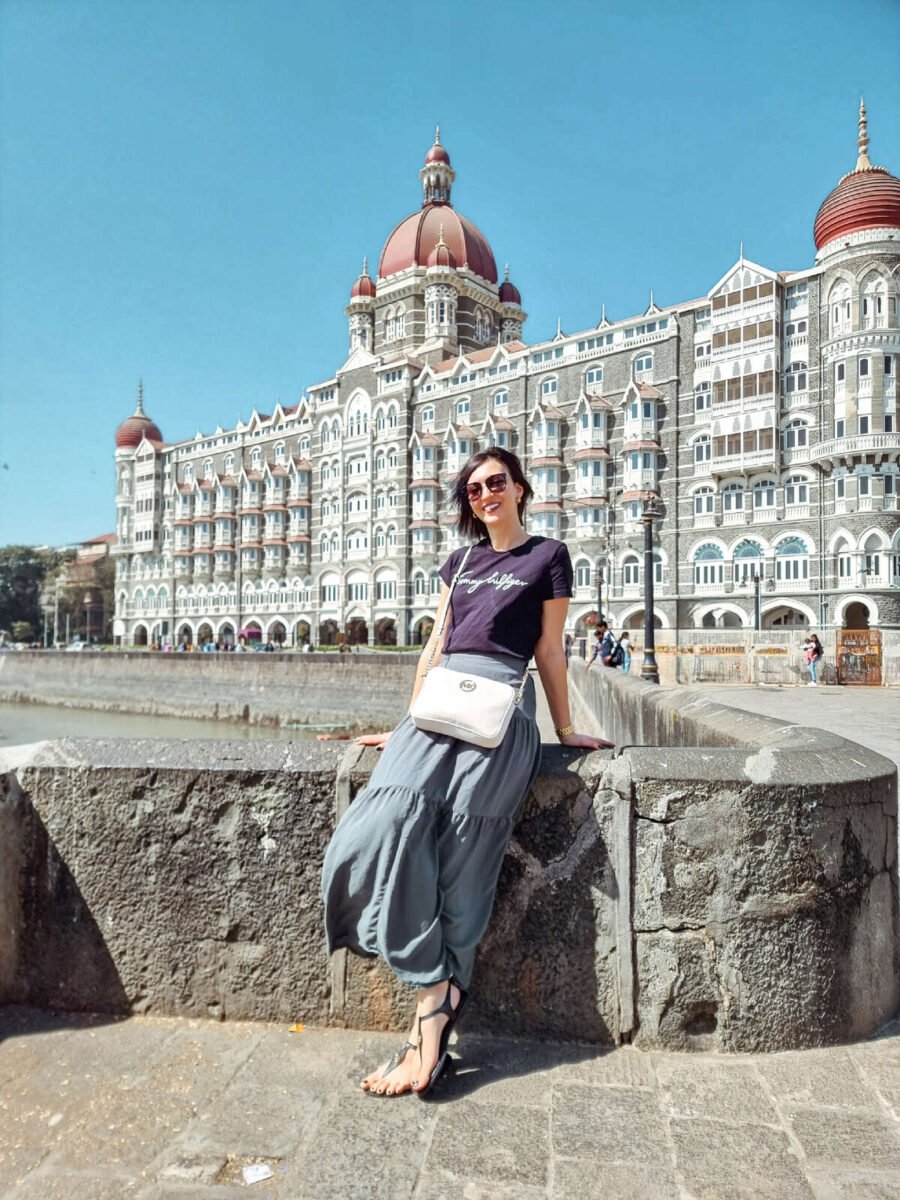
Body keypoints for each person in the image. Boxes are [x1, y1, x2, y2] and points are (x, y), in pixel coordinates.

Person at [321, 449, 611, 1099]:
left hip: (501, 716)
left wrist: (565, 732)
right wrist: (405, 722)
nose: (485, 494)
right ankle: (436, 987)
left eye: (496, 483)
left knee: (463, 859)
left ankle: (431, 1027)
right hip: (437, 711)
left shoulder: (548, 556)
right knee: (380, 824)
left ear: (519, 488)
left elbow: (549, 649)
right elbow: (434, 645)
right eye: (474, 488)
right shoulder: (461, 562)